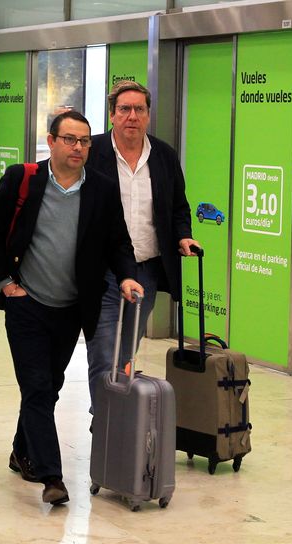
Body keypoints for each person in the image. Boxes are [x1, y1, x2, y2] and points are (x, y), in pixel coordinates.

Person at [0, 110, 143, 506]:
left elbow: (118, 242)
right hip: (27, 303)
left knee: (48, 387)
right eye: (69, 139)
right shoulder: (23, 179)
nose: (78, 147)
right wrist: (5, 284)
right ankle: (51, 475)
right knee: (36, 387)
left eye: (84, 141)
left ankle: (21, 450)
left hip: (71, 308)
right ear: (51, 141)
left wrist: (127, 276)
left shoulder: (101, 189)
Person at [85, 80, 200, 410]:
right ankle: (103, 420)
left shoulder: (163, 155)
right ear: (112, 115)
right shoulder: (93, 152)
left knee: (125, 351)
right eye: (124, 109)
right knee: (103, 350)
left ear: (148, 115)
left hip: (145, 269)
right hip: (104, 271)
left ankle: (116, 418)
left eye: (139, 109)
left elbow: (178, 207)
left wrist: (182, 235)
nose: (132, 116)